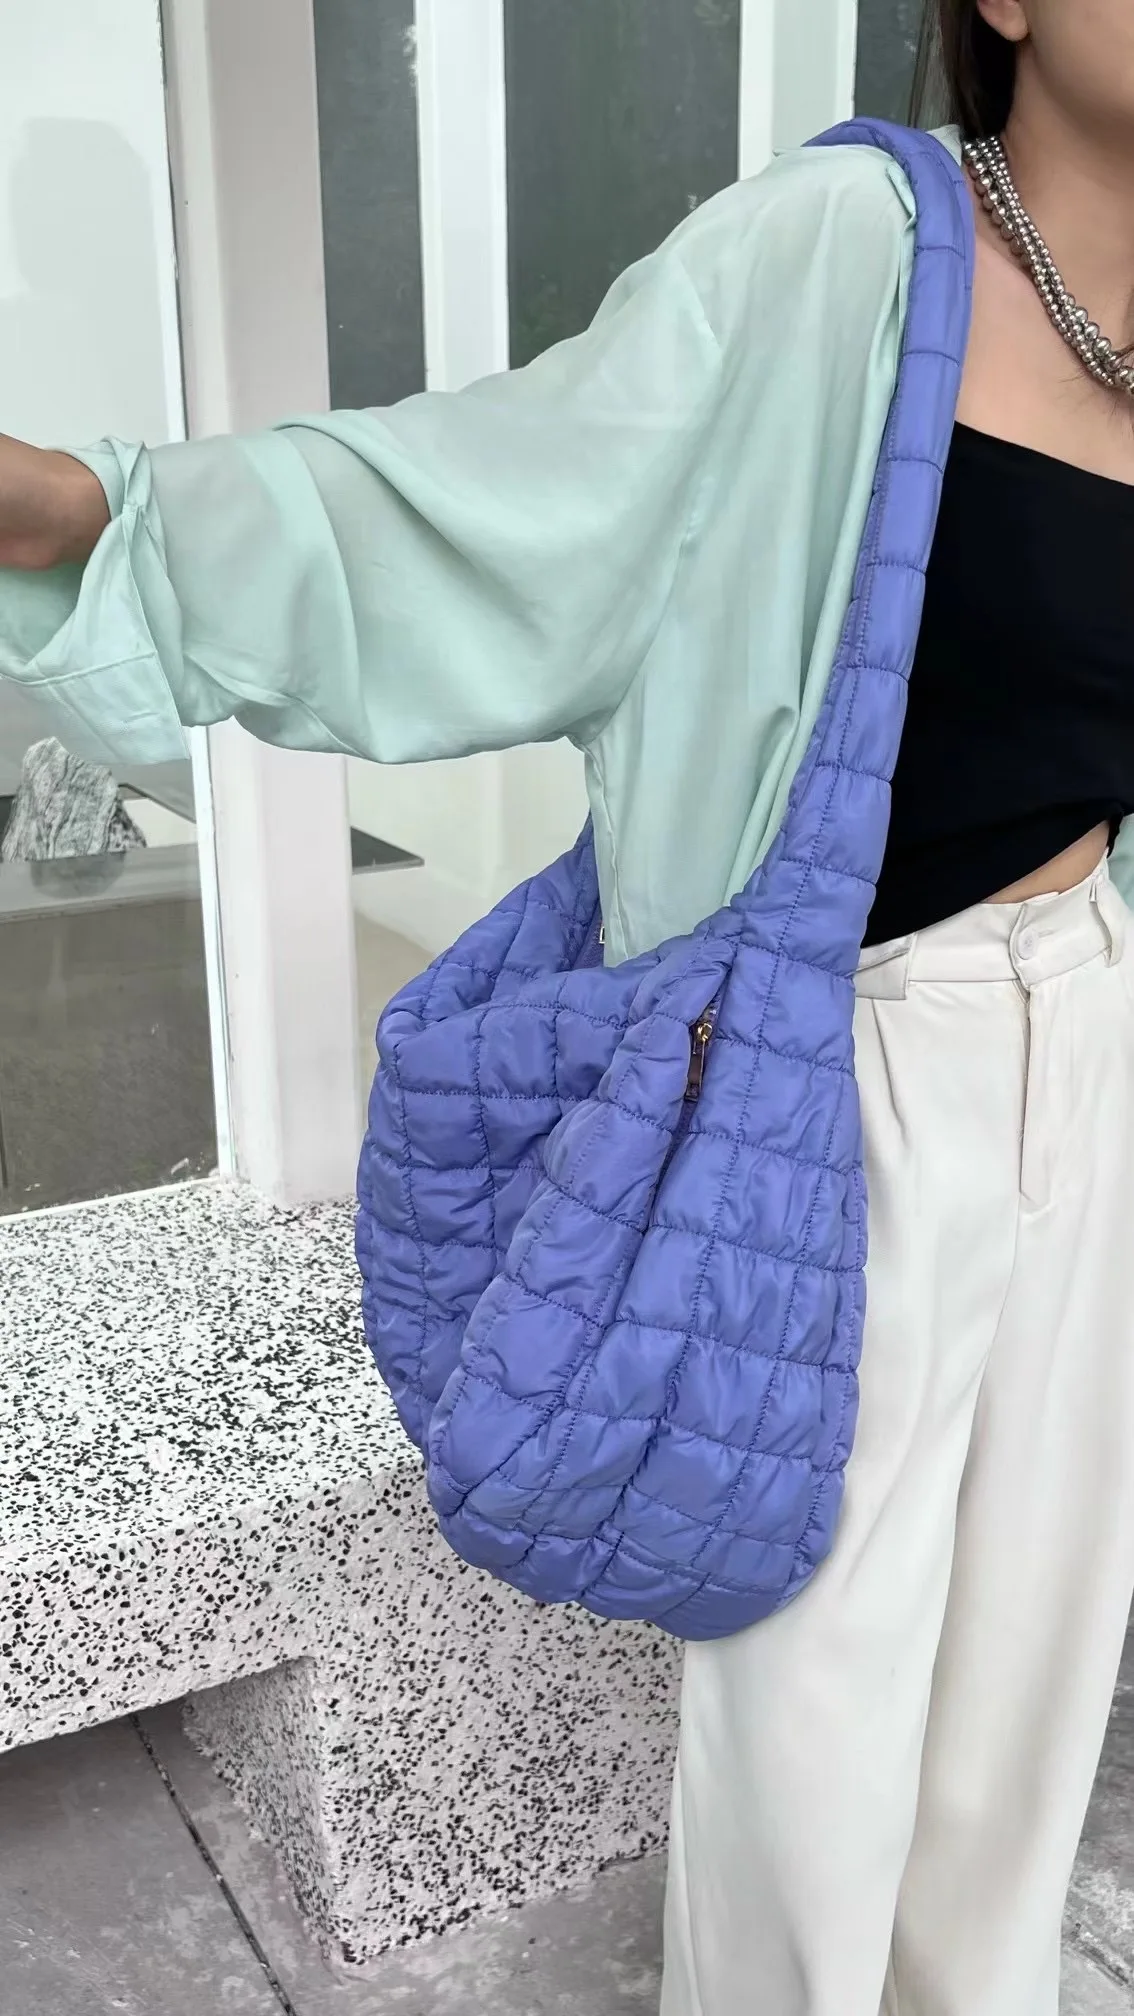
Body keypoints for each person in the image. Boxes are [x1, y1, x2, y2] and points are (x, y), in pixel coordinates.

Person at [2, 1, 1133, 2008]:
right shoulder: (850, 253)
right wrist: (107, 518)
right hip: (840, 1066)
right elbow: (500, 500)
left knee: (1030, 1689)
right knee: (819, 1715)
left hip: (1102, 1036)